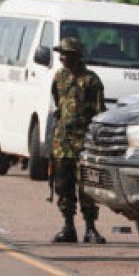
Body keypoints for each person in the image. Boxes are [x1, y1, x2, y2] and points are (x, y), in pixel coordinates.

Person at [49, 37, 107, 244]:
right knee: (63, 187)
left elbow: (99, 114)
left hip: (84, 144)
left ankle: (90, 228)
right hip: (62, 143)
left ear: (76, 55)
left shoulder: (91, 80)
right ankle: (68, 227)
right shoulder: (59, 78)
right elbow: (58, 105)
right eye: (61, 54)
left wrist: (96, 145)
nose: (62, 57)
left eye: (66, 53)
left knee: (87, 187)